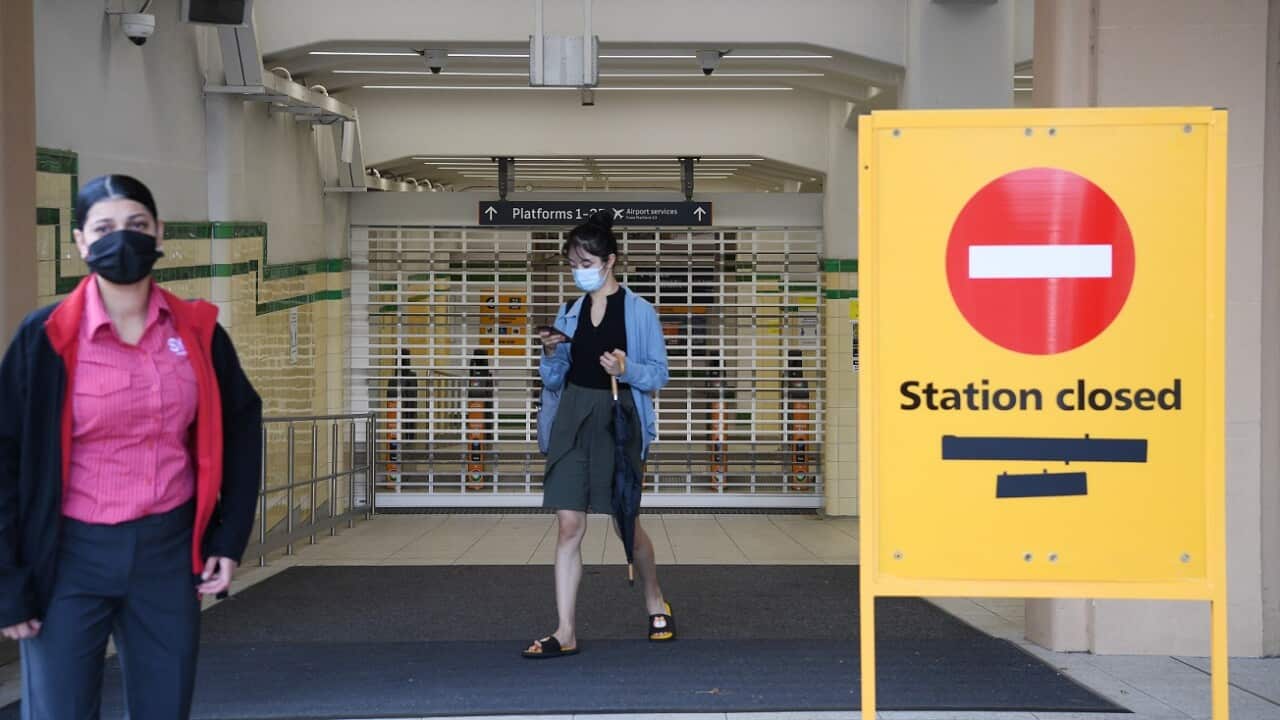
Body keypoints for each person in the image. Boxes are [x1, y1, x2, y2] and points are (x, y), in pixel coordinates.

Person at [0, 174, 263, 718]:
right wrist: (7, 581)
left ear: (159, 232)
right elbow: (4, 458)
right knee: (58, 711)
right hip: (66, 556)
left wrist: (228, 535)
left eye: (137, 226)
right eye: (104, 228)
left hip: (166, 552)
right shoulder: (42, 337)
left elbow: (240, 427)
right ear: (80, 242)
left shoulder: (197, 332)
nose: (122, 239)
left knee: (164, 707)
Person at [524, 211, 673, 659]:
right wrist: (551, 354)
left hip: (617, 416)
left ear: (610, 262)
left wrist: (628, 369)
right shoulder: (569, 312)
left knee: (625, 522)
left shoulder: (639, 311)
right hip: (572, 415)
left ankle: (653, 599)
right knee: (569, 524)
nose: (578, 271)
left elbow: (660, 375)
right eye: (572, 263)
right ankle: (565, 630)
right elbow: (552, 380)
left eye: (585, 262)